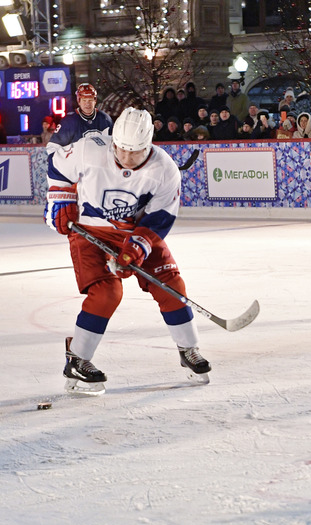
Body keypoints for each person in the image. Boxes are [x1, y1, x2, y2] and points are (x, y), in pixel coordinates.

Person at [42, 107, 212, 395]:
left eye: (136, 152)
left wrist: (136, 249)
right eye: (121, 149)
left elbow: (160, 218)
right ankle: (78, 360)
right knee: (107, 292)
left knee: (171, 284)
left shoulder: (165, 169)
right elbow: (56, 166)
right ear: (114, 140)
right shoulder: (89, 149)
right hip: (90, 231)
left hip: (134, 232)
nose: (126, 158)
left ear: (149, 145)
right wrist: (59, 200)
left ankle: (188, 349)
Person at [46, 84, 113, 153]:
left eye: (90, 100)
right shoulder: (69, 122)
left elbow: (113, 145)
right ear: (79, 101)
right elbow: (52, 148)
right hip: (77, 162)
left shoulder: (105, 119)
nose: (87, 104)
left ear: (95, 101)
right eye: (84, 100)